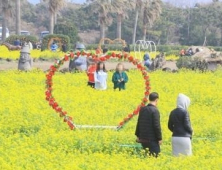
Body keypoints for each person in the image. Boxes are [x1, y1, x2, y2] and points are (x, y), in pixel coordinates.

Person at [135, 92, 162, 157]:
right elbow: (156, 126)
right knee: (155, 157)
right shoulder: (155, 111)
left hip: (143, 139)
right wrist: (159, 138)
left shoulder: (143, 109)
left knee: (147, 157)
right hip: (152, 139)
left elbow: (139, 122)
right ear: (156, 100)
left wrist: (138, 135)